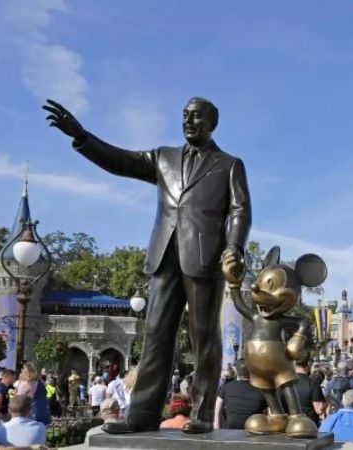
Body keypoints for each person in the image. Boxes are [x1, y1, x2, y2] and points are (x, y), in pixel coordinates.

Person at [44, 97, 251, 435]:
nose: (188, 121)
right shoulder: (163, 158)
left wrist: (234, 248)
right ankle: (141, 414)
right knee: (155, 334)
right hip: (164, 254)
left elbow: (241, 209)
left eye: (196, 116)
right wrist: (81, 135)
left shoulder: (229, 164)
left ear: (212, 123)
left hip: (205, 257)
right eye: (184, 115)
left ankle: (199, 414)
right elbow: (121, 161)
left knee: (204, 339)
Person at [213, 360, 266, 430]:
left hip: (229, 433)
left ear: (236, 372)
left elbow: (217, 410)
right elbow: (270, 414)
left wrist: (218, 431)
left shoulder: (226, 387)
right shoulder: (262, 390)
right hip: (253, 434)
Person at [285, 360, 325, 426]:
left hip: (290, 425)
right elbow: (319, 410)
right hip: (309, 426)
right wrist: (326, 404)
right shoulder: (313, 383)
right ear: (307, 367)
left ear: (294, 367)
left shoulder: (286, 384)